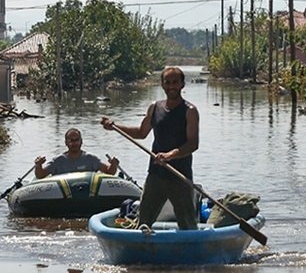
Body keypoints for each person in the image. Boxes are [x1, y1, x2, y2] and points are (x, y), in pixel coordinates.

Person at [100, 66, 199, 230]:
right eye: (167, 82)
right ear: (162, 85)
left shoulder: (190, 111)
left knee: (188, 225)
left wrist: (170, 155)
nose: (171, 86)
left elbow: (192, 144)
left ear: (182, 84)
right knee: (143, 222)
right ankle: (140, 250)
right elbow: (141, 133)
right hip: (156, 175)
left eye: (175, 82)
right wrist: (115, 126)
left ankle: (191, 250)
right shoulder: (155, 107)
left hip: (180, 176)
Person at [34, 127, 119, 179]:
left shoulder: (90, 158)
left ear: (81, 141)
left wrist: (114, 164)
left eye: (76, 140)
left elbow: (109, 171)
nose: (74, 143)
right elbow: (40, 175)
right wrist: (38, 165)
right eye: (71, 140)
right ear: (66, 143)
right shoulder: (58, 160)